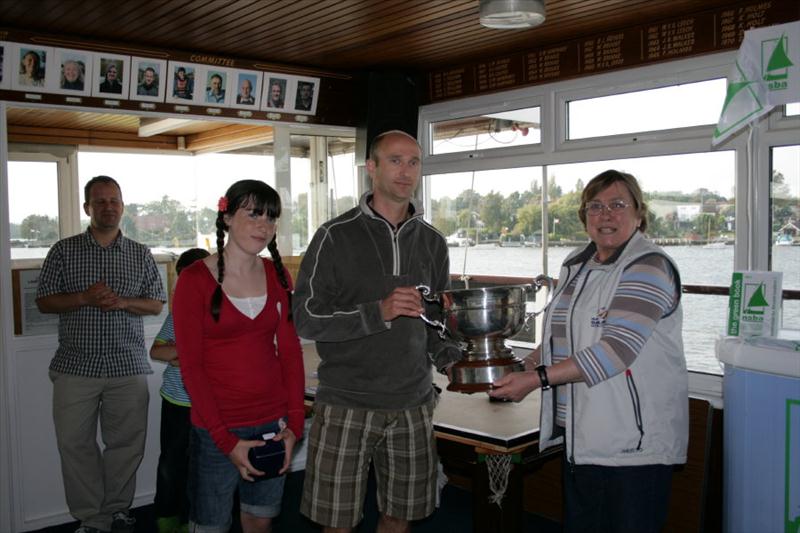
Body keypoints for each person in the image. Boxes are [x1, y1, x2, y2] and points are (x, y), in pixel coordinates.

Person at [488, 169, 688, 533]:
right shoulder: (576, 265)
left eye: (617, 204)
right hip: (580, 434)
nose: (605, 214)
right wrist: (521, 364)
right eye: (595, 206)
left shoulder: (649, 266)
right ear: (584, 217)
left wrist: (537, 380)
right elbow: (557, 337)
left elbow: (615, 351)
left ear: (639, 215)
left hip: (633, 444)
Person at [293, 130, 461, 533]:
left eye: (414, 162)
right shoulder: (334, 236)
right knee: (337, 522)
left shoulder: (434, 242)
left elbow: (439, 321)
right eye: (395, 160)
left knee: (398, 516)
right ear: (371, 168)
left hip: (414, 403)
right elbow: (306, 318)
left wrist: (452, 358)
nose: (406, 171)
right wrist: (378, 312)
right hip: (346, 403)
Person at [36, 175, 166, 533]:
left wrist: (122, 302)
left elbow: (155, 304)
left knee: (126, 444)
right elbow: (44, 301)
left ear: (122, 206)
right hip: (75, 365)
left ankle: (117, 510)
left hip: (127, 365)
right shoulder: (63, 250)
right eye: (100, 201)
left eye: (114, 201)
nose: (108, 207)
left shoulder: (140, 253)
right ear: (87, 208)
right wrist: (84, 298)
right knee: (74, 445)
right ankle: (92, 518)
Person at [172, 180, 305, 532]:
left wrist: (295, 426)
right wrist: (225, 439)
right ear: (227, 216)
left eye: (272, 218)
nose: (264, 226)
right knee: (210, 526)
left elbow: (290, 355)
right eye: (254, 214)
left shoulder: (278, 276)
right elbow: (192, 368)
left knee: (259, 521)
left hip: (271, 426)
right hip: (218, 428)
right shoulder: (193, 280)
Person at [150, 248, 210, 533]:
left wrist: (182, 355)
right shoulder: (177, 317)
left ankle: (193, 518)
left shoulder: (220, 312)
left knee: (205, 465)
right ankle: (167, 516)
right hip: (176, 403)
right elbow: (158, 351)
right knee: (171, 463)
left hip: (210, 404)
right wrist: (188, 353)